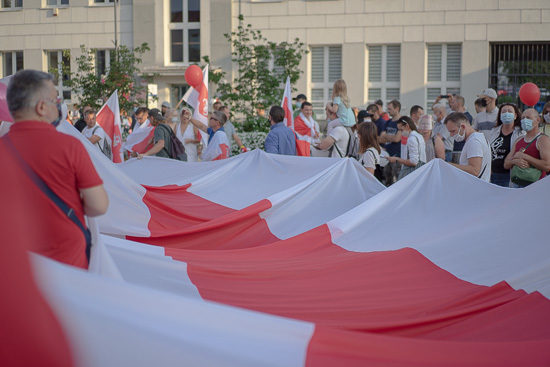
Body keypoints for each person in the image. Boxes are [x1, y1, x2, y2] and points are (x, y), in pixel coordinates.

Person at [3, 69, 108, 268]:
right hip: (66, 258)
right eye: (55, 100)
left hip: (17, 261)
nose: (60, 105)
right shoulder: (70, 146)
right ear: (42, 107)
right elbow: (99, 205)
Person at [504, 108, 550, 188]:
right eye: (523, 118)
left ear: (538, 120)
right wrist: (514, 161)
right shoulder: (519, 139)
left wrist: (525, 157)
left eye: (528, 118)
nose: (525, 120)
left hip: (535, 187)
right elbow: (506, 164)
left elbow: (547, 166)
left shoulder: (543, 140)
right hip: (516, 185)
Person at [444, 112, 491, 182]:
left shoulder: (474, 141)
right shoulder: (477, 138)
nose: (451, 135)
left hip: (476, 189)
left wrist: (448, 165)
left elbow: (475, 170)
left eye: (453, 131)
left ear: (462, 127)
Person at [487, 103, 525, 187]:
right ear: (500, 115)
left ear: (515, 116)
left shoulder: (521, 133)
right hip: (493, 175)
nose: (506, 113)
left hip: (510, 175)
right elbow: (488, 151)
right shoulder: (493, 131)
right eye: (504, 111)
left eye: (510, 111)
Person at [379, 100, 402, 185]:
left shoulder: (401, 122)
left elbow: (397, 139)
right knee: (386, 181)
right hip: (386, 156)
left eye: (390, 109)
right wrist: (392, 137)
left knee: (396, 181)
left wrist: (387, 136)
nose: (388, 111)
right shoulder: (388, 122)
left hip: (397, 157)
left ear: (397, 109)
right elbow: (381, 138)